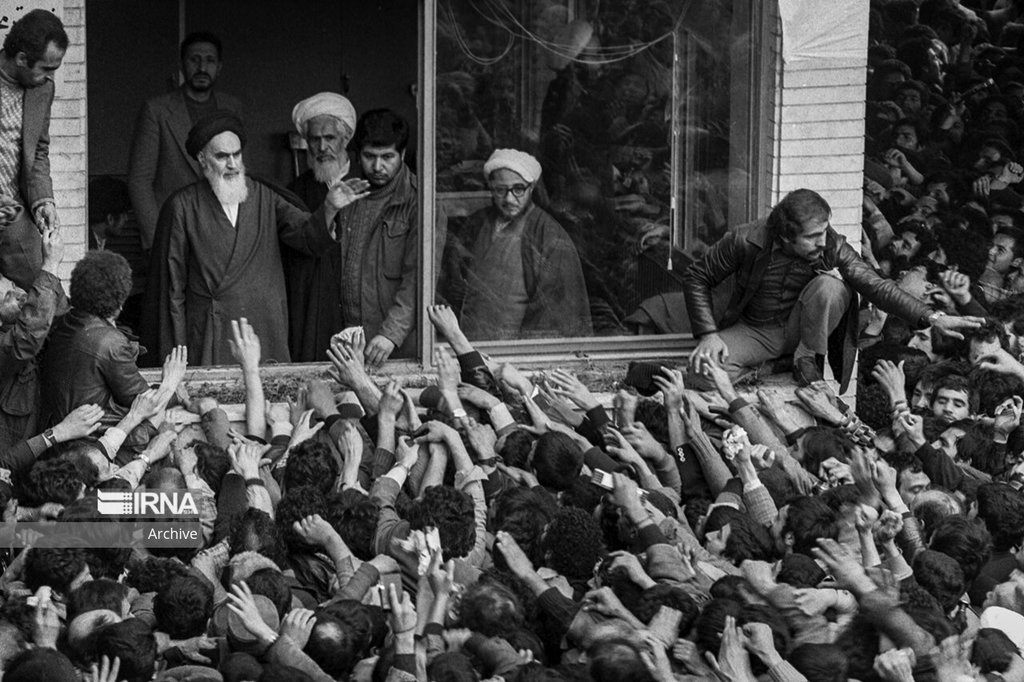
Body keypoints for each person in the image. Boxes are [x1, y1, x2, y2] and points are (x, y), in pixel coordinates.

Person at [684, 188, 983, 388]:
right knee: (701, 372)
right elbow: (697, 276)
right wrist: (708, 335)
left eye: (825, 231)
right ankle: (770, 368)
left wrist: (932, 317)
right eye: (813, 237)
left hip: (803, 330)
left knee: (831, 287)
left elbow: (874, 284)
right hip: (756, 329)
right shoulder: (744, 239)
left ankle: (804, 359)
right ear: (787, 237)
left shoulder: (832, 244)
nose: (822, 241)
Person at [143, 110, 360, 365]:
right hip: (213, 331)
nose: (233, 164)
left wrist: (329, 208)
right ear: (202, 159)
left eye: (236, 154)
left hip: (265, 328)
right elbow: (172, 288)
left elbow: (306, 236)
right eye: (222, 156)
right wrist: (178, 351)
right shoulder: (182, 206)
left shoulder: (264, 195)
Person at [440, 148, 591, 340]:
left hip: (514, 350)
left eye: (518, 189)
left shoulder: (548, 236)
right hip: (467, 343)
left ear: (531, 188)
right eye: (500, 190)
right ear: (491, 189)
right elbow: (454, 281)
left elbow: (554, 312)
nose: (509, 199)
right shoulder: (476, 224)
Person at [127, 31, 243, 253]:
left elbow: (242, 172)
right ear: (181, 64)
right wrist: (156, 240)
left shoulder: (232, 108)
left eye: (209, 60)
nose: (202, 67)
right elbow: (139, 180)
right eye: (194, 60)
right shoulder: (157, 110)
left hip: (224, 233)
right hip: (173, 232)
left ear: (219, 67)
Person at [332, 108, 419, 366]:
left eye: (387, 157)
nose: (378, 166)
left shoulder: (418, 202)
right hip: (347, 338)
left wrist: (391, 334)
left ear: (403, 154)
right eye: (370, 156)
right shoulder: (346, 192)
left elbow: (418, 279)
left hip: (392, 344)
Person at [0, 9, 67, 290]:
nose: (51, 77)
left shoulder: (43, 89)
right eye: (47, 68)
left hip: (12, 212)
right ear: (21, 59)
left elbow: (38, 151)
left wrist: (43, 201)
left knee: (43, 288)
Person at [0, 228, 64, 451]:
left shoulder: (13, 324)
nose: (20, 294)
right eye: (8, 296)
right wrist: (50, 265)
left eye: (14, 285)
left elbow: (55, 313)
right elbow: (25, 340)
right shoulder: (13, 340)